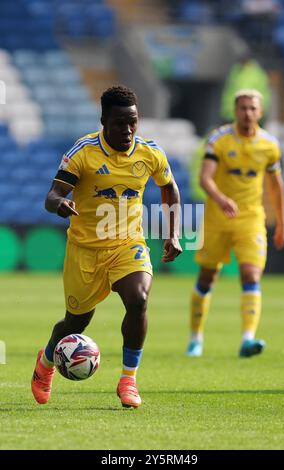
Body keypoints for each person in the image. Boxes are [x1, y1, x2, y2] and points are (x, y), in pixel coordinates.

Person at [31, 85, 182, 408]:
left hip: (128, 244)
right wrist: (60, 205)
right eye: (119, 123)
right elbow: (52, 196)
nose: (127, 130)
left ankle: (128, 379)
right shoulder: (83, 152)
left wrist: (173, 234)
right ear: (103, 120)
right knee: (75, 322)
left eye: (133, 122)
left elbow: (170, 189)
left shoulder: (149, 152)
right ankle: (45, 364)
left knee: (139, 300)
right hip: (85, 250)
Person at [186, 89, 284, 358]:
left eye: (252, 108)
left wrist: (283, 224)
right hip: (217, 217)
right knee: (207, 277)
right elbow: (205, 178)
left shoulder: (269, 145)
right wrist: (221, 199)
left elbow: (276, 186)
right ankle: (195, 338)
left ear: (261, 112)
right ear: (235, 110)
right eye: (243, 108)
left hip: (251, 218)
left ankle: (248, 338)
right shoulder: (219, 140)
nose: (248, 113)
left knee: (251, 274)